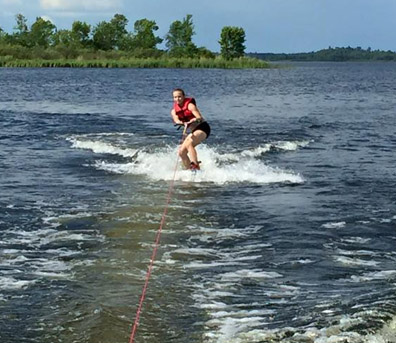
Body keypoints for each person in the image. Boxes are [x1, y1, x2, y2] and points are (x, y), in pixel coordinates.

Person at [171, 88, 211, 171]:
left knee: (189, 143)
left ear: (183, 96)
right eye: (175, 97)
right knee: (181, 152)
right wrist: (181, 123)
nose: (177, 99)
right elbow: (176, 120)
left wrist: (194, 120)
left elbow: (199, 117)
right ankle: (189, 170)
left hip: (202, 128)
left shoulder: (190, 105)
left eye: (179, 96)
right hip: (193, 131)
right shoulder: (174, 111)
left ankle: (195, 165)